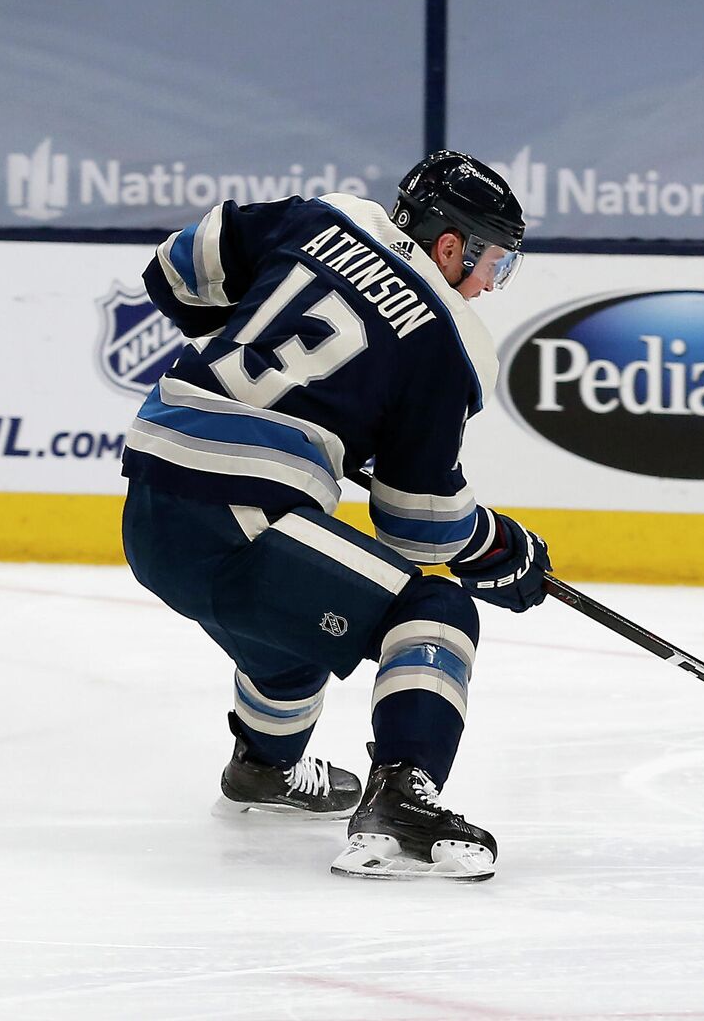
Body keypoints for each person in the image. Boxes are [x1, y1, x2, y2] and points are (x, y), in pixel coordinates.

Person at [120, 150, 552, 881]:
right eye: (492, 263)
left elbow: (174, 270)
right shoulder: (447, 342)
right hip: (241, 514)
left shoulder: (324, 217)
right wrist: (500, 549)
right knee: (435, 612)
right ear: (451, 246)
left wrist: (264, 366)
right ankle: (403, 793)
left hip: (153, 498)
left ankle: (266, 767)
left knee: (288, 635)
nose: (486, 285)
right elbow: (421, 526)